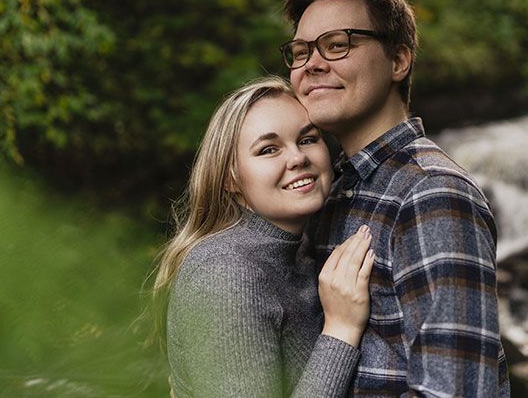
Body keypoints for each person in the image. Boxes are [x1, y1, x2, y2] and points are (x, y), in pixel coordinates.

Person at [281, 0, 510, 396]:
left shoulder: (432, 195)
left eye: (337, 45)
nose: (311, 64)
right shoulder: (325, 190)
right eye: (299, 52)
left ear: (398, 61)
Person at [152, 77, 376, 397]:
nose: (297, 158)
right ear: (231, 178)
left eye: (307, 139)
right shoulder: (226, 272)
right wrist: (341, 329)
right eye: (268, 149)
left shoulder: (300, 248)